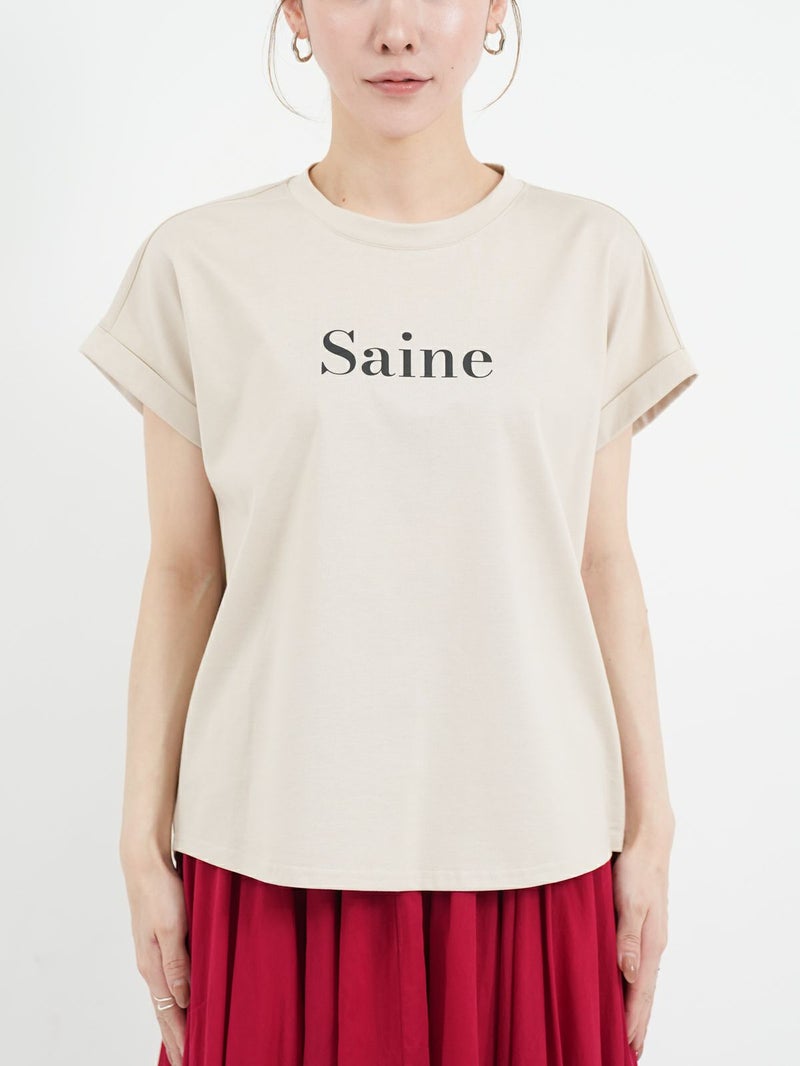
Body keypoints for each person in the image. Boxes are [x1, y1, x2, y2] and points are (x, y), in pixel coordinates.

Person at [78, 1, 699, 1063]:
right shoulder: (200, 262)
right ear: (295, 12)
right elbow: (184, 570)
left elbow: (600, 560)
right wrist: (140, 840)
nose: (397, 30)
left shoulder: (587, 254)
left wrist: (651, 827)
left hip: (535, 841)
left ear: (495, 11)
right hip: (273, 842)